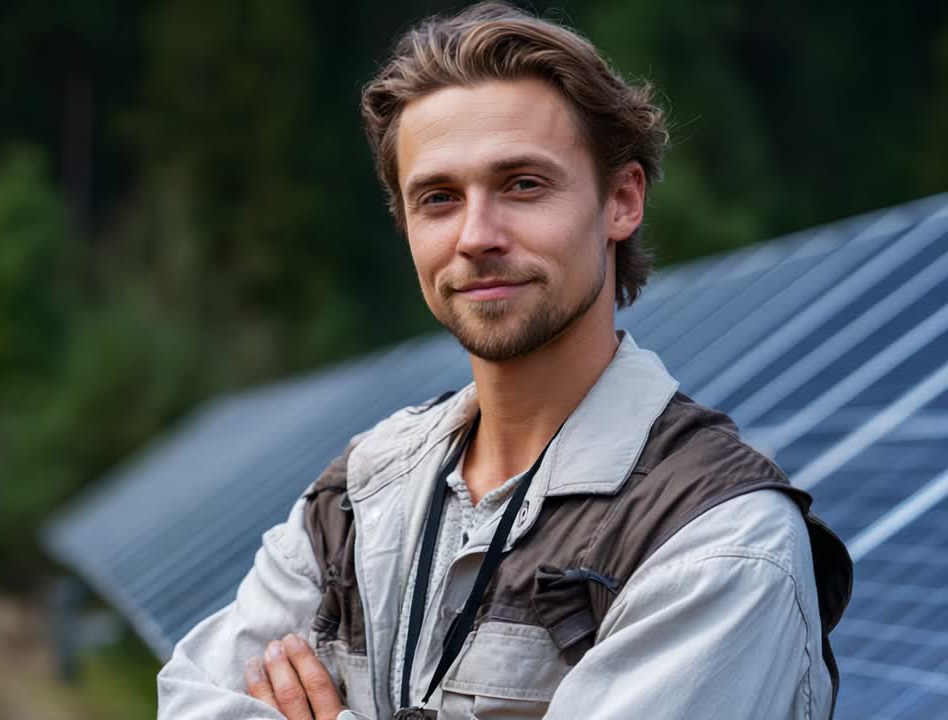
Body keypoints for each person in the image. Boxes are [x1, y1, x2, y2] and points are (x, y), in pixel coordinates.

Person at [156, 3, 853, 718]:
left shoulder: (716, 544)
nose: (476, 236)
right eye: (438, 198)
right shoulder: (359, 494)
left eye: (523, 184)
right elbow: (189, 699)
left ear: (622, 200)